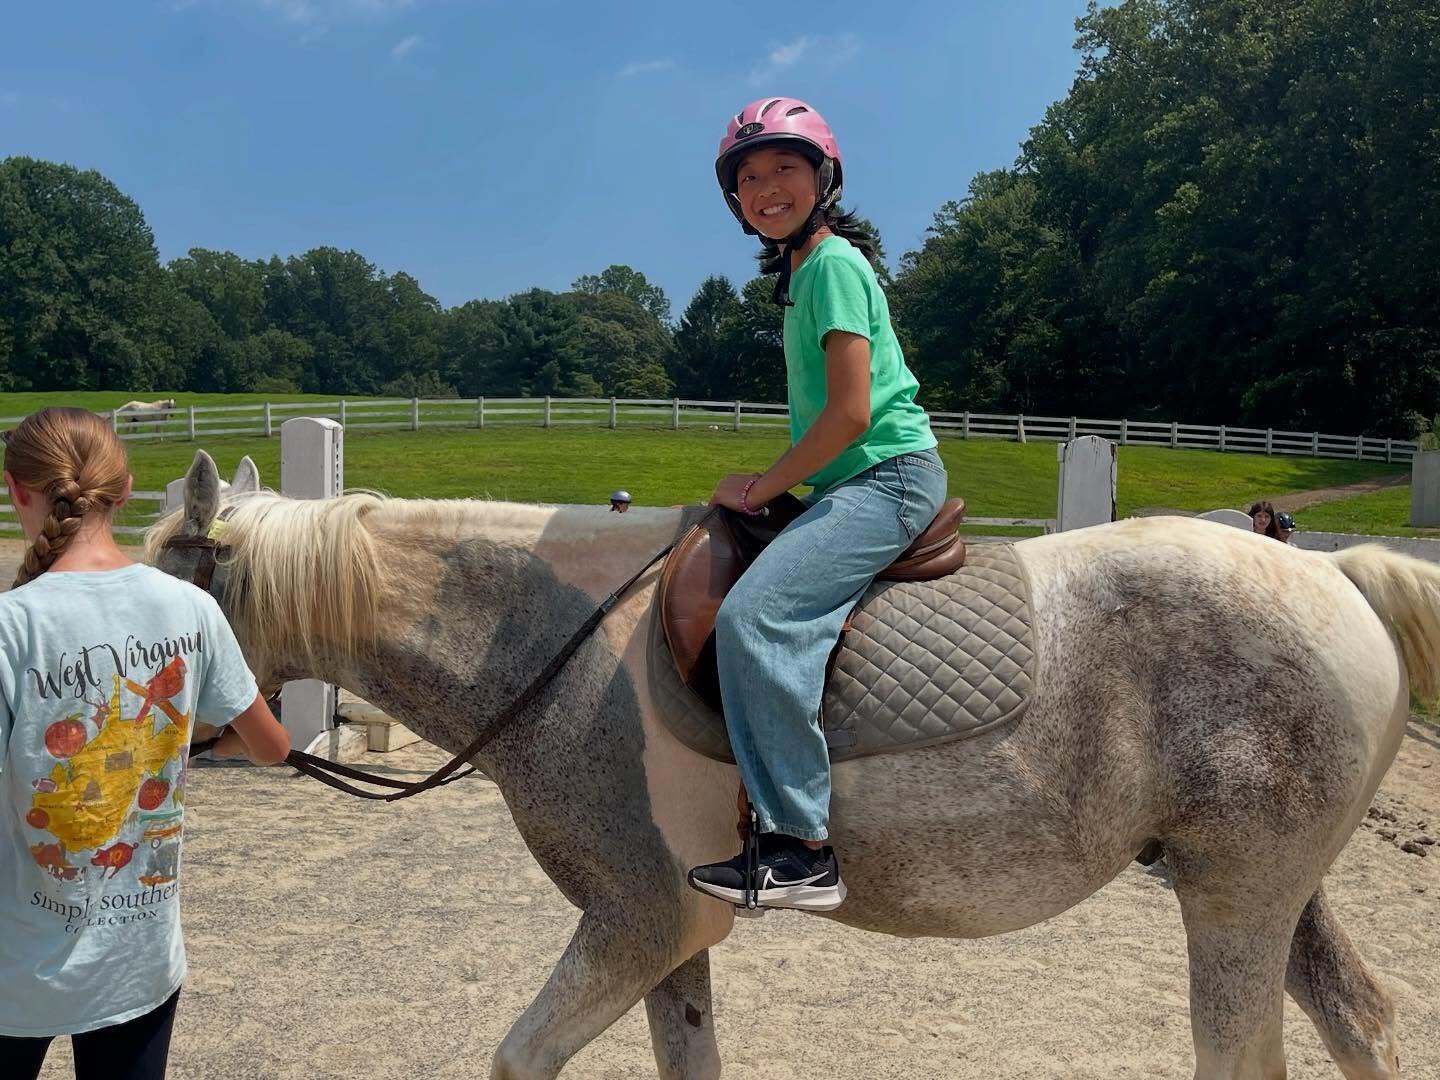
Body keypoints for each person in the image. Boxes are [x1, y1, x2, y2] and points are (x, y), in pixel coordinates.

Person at [687, 98, 947, 912]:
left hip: (890, 477)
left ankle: (802, 847)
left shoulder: (831, 265)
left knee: (755, 619)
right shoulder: (802, 275)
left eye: (784, 170)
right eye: (749, 178)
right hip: (858, 479)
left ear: (823, 178)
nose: (767, 188)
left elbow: (849, 415)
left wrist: (762, 487)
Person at [0, 407, 290, 1080]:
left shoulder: (11, 625)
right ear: (125, 488)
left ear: (17, 490)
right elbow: (273, 747)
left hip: (19, 959)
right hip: (137, 961)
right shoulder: (190, 609)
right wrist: (193, 745)